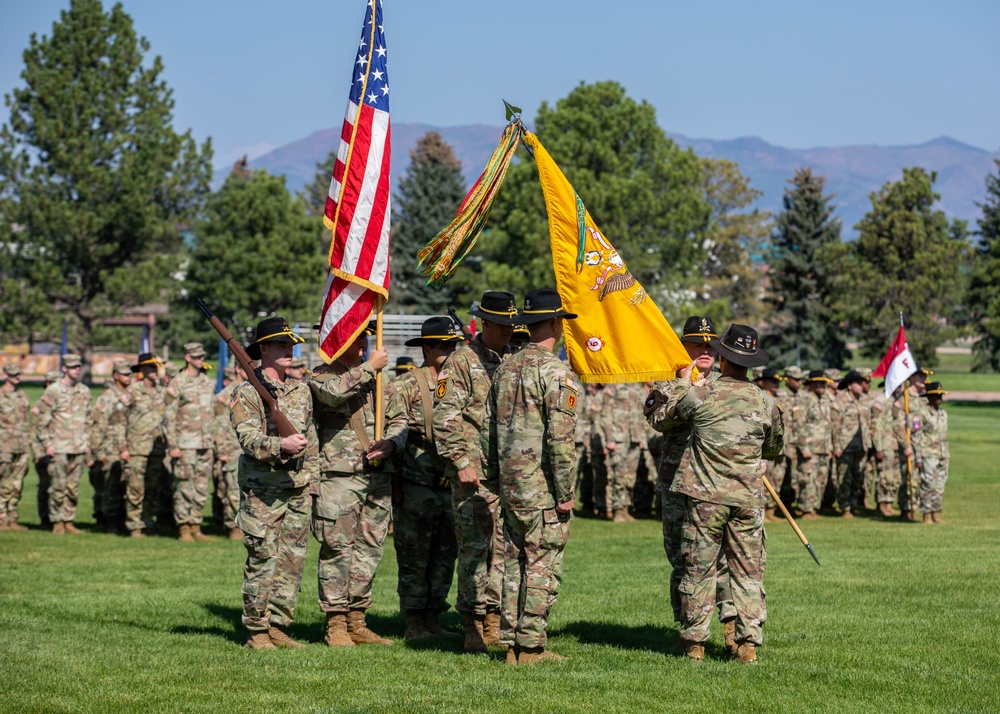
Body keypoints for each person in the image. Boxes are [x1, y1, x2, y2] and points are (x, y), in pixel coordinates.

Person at [651, 324, 782, 663]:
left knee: (698, 568)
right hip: (747, 500)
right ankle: (748, 644)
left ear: (722, 356)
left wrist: (685, 384)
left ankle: (694, 642)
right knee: (748, 572)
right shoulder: (766, 401)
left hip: (706, 497)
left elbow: (663, 416)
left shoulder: (701, 394)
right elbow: (773, 448)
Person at [486, 288, 578, 664]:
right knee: (542, 564)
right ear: (556, 323)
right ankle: (531, 646)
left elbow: (487, 430)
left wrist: (494, 477)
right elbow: (561, 439)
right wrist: (566, 491)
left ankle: (510, 644)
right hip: (541, 487)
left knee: (512, 564)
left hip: (511, 484)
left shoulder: (507, 366)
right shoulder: (556, 372)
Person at [646, 316, 738, 653]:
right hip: (678, 485)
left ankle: (732, 631)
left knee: (726, 559)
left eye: (709, 344)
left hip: (719, 486)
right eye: (696, 343)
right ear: (681, 346)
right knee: (683, 558)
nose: (704, 350)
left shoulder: (729, 384)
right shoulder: (667, 385)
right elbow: (658, 419)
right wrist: (686, 386)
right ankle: (688, 631)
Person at [310, 321, 404, 647]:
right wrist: (369, 368)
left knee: (369, 550)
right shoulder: (322, 375)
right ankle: (335, 624)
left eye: (365, 336)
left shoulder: (380, 378)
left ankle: (357, 619)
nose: (363, 343)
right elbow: (332, 395)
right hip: (340, 476)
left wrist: (394, 443)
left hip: (377, 474)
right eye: (355, 337)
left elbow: (400, 417)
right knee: (337, 550)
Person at [433, 291, 516, 653]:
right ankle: (472, 623)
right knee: (473, 551)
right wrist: (462, 463)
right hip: (474, 472)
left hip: (509, 473)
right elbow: (445, 416)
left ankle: (494, 620)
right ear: (484, 323)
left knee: (503, 550)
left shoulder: (514, 359)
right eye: (502, 325)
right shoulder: (462, 362)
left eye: (512, 324)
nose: (508, 331)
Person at [230, 318, 316, 649]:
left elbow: (312, 440)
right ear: (262, 349)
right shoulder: (247, 391)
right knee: (262, 558)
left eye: (290, 344)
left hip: (297, 486)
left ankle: (279, 625)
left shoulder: (300, 389)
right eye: (280, 344)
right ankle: (256, 630)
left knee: (291, 562)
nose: (288, 350)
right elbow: (248, 438)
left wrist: (315, 481)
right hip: (263, 492)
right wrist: (280, 446)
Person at [385, 316, 465, 640]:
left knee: (446, 555)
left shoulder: (460, 382)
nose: (449, 350)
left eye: (453, 345)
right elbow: (396, 430)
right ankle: (414, 622)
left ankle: (434, 617)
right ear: (427, 348)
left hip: (451, 485)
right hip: (417, 483)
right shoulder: (406, 385)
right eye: (443, 345)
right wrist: (394, 478)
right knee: (415, 555)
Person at [33, 354, 93, 534]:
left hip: (78, 446)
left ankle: (68, 520)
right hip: (58, 446)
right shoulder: (53, 391)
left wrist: (87, 442)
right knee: (58, 486)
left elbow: (89, 420)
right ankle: (57, 521)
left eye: (78, 366)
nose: (76, 369)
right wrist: (47, 444)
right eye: (72, 367)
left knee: (73, 487)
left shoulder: (84, 391)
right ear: (64, 368)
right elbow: (42, 421)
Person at [163, 343, 216, 542]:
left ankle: (196, 525)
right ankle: (184, 527)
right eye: (197, 356)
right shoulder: (178, 383)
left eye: (202, 356)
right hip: (185, 444)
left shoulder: (206, 381)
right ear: (187, 358)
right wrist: (172, 445)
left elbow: (214, 414)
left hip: (205, 443)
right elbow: (168, 416)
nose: (201, 359)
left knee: (201, 487)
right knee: (184, 486)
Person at [123, 353, 166, 538]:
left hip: (156, 449)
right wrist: (122, 447)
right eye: (150, 367)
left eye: (156, 367)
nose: (154, 370)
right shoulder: (132, 391)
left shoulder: (162, 391)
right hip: (136, 448)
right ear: (141, 369)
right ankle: (135, 526)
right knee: (135, 488)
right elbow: (118, 420)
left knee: (152, 488)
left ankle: (148, 522)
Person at [90, 360, 133, 532]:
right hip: (110, 448)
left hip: (128, 447)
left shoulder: (132, 395)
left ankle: (123, 520)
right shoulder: (106, 398)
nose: (128, 377)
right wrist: (98, 451)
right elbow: (98, 426)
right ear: (115, 376)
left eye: (129, 374)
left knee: (126, 486)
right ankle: (111, 522)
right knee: (111, 487)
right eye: (125, 374)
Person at [830, 370, 872, 518]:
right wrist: (836, 446)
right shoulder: (839, 401)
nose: (861, 386)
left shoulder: (864, 400)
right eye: (858, 383)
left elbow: (868, 424)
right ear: (849, 386)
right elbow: (835, 426)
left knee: (858, 478)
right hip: (845, 446)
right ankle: (845, 507)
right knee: (845, 478)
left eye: (862, 383)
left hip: (861, 446)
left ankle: (854, 505)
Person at [794, 371, 833, 520]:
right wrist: (804, 448)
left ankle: (814, 509)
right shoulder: (803, 400)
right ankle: (806, 510)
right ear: (810, 384)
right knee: (808, 479)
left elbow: (828, 425)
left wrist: (829, 447)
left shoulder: (824, 401)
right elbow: (799, 425)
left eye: (824, 383)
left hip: (823, 448)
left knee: (821, 480)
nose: (822, 386)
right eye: (818, 383)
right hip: (810, 448)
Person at [213, 364, 246, 539]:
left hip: (250, 448)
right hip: (231, 448)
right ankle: (233, 527)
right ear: (236, 369)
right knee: (233, 490)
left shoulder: (253, 390)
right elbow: (217, 425)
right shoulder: (223, 396)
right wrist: (221, 450)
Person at [0, 363, 32, 531]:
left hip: (21, 447)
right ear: (6, 375)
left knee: (17, 485)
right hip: (4, 447)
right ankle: (1, 519)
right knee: (4, 484)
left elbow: (27, 422)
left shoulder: (23, 396)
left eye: (18, 374)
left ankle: (12, 518)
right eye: (13, 375)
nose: (17, 377)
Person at [914, 382, 949, 524]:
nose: (939, 397)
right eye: (936, 395)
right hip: (928, 454)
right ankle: (926, 514)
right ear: (929, 396)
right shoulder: (921, 414)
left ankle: (936, 513)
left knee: (940, 485)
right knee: (928, 484)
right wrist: (918, 458)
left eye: (940, 394)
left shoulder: (943, 413)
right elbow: (915, 437)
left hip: (943, 454)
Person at [33, 370, 62, 529]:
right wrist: (38, 452)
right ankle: (45, 518)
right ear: (48, 384)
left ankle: (57, 518)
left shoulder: (60, 403)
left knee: (58, 486)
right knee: (46, 486)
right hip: (43, 452)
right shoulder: (41, 405)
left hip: (58, 449)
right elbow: (35, 430)